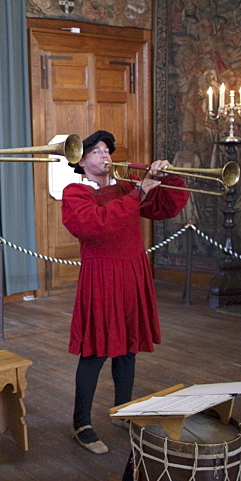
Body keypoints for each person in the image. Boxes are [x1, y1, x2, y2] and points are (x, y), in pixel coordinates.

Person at [63, 130, 189, 454]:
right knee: (94, 352)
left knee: (128, 346)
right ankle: (82, 423)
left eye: (107, 150)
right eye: (96, 152)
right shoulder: (75, 193)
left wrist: (168, 177)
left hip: (132, 272)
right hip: (102, 275)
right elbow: (95, 226)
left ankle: (124, 410)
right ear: (81, 160)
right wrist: (138, 193)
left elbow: (166, 208)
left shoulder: (125, 186)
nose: (105, 156)